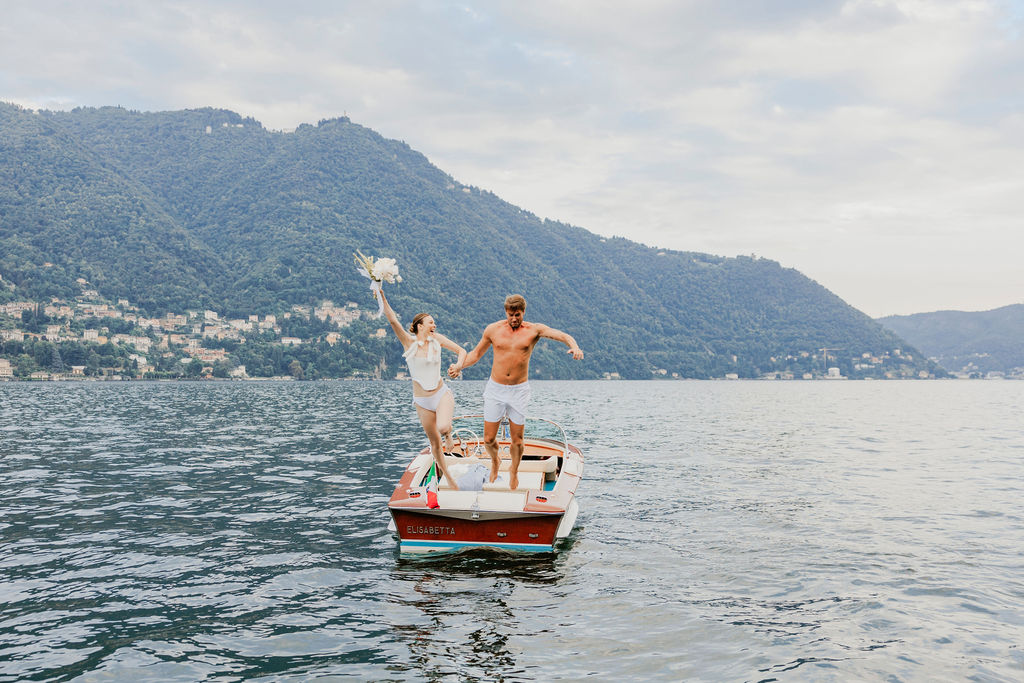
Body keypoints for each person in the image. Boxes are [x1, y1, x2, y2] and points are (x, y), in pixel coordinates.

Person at [448, 294, 583, 489]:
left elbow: (561, 335)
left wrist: (574, 346)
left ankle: (514, 469)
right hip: (495, 388)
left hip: (519, 390)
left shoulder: (533, 330)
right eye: (510, 315)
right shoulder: (493, 330)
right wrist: (460, 366)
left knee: (517, 440)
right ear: (505, 312)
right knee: (488, 439)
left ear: (523, 312)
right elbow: (476, 354)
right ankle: (495, 461)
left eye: (517, 315)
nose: (514, 319)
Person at [380, 290, 467, 490]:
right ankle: (450, 481)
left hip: (441, 393)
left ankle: (449, 434)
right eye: (430, 322)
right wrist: (382, 296)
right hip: (422, 401)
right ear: (420, 326)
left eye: (434, 322)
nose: (434, 325)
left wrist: (458, 365)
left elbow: (461, 351)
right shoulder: (408, 342)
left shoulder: (438, 340)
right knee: (434, 445)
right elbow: (393, 321)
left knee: (444, 427)